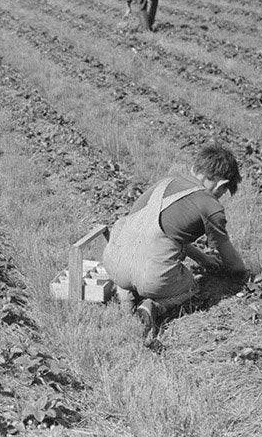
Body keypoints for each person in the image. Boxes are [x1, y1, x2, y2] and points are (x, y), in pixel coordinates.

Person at [102, 143, 247, 342]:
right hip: (150, 278)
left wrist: (202, 258)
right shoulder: (210, 204)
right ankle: (153, 306)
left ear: (196, 169)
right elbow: (229, 259)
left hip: (114, 260)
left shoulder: (165, 183)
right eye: (222, 193)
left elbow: (162, 231)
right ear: (221, 184)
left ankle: (125, 292)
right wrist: (244, 275)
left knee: (141, 257)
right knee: (192, 288)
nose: (220, 197)